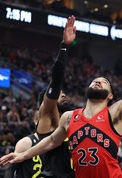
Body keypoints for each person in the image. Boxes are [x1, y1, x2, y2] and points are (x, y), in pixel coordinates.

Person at [0, 23, 122, 178]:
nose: (98, 81)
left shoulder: (115, 113)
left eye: (105, 82)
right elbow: (50, 141)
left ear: (110, 96)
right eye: (95, 80)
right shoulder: (70, 117)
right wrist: (23, 155)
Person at [4, 16, 76, 178]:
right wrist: (64, 47)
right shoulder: (49, 117)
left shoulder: (70, 120)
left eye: (64, 92)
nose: (63, 94)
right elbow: (56, 81)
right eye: (59, 93)